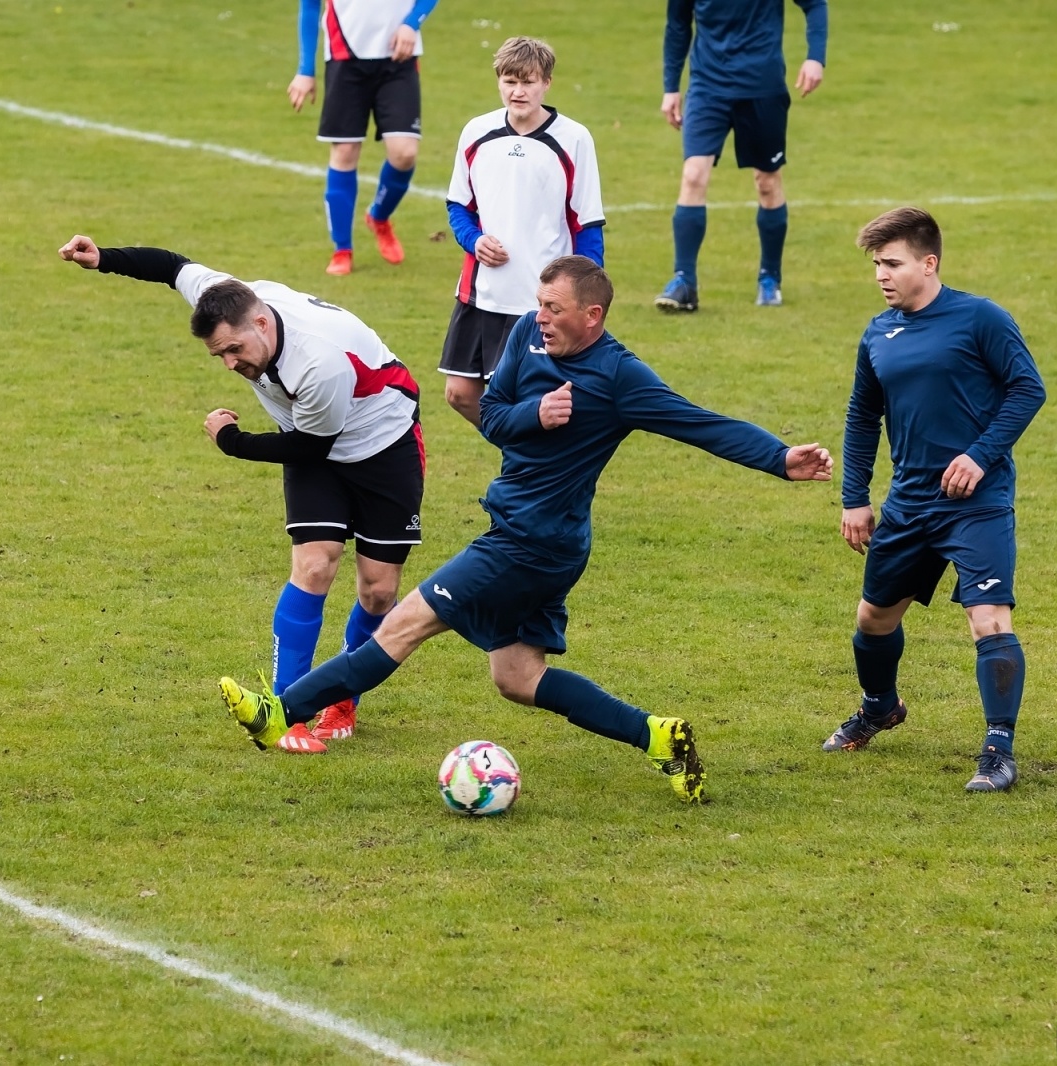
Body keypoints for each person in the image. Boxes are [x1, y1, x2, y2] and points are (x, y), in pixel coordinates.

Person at [219, 256, 834, 804]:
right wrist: (534, 416)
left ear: (591, 316)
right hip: (536, 538)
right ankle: (657, 736)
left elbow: (699, 423)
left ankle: (282, 710)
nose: (540, 317)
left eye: (554, 309)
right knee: (516, 677)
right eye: (539, 305)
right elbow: (492, 416)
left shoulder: (620, 377)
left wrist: (780, 459)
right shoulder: (524, 336)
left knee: (404, 624)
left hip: (530, 544)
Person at [59, 234, 427, 752]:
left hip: (380, 444)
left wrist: (231, 442)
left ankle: (343, 699)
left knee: (378, 590)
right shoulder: (229, 299)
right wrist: (103, 260)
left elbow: (308, 448)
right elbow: (172, 266)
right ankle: (285, 712)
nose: (231, 364)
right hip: (311, 440)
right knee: (315, 566)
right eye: (219, 355)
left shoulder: (319, 360)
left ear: (261, 323)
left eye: (235, 350)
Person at [825, 208, 1047, 793]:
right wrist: (854, 497)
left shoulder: (980, 319)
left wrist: (980, 454)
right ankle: (880, 707)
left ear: (929, 262)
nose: (881, 275)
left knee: (989, 620)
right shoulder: (878, 332)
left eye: (892, 263)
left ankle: (998, 750)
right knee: (873, 618)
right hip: (910, 502)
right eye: (876, 264)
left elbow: (1029, 388)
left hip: (978, 499)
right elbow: (861, 415)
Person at [439, 36, 605, 427]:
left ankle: (528, 471)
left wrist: (585, 298)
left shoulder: (574, 139)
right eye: (510, 82)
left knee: (530, 403)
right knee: (460, 394)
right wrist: (475, 240)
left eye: (528, 82)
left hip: (539, 304)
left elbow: (587, 226)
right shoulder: (476, 132)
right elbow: (459, 206)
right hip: (481, 294)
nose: (518, 92)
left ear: (546, 83)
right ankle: (523, 456)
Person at [656, 0, 827, 313]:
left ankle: (769, 277)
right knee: (693, 174)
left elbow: (815, 4)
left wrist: (815, 58)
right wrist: (671, 87)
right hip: (708, 87)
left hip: (763, 87)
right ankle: (684, 281)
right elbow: (678, 24)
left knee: (767, 182)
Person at [289, 0, 438, 276]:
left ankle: (378, 217)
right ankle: (342, 249)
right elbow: (309, 7)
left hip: (399, 58)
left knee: (404, 154)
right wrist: (305, 70)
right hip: (345, 58)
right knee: (344, 152)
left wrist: (411, 22)